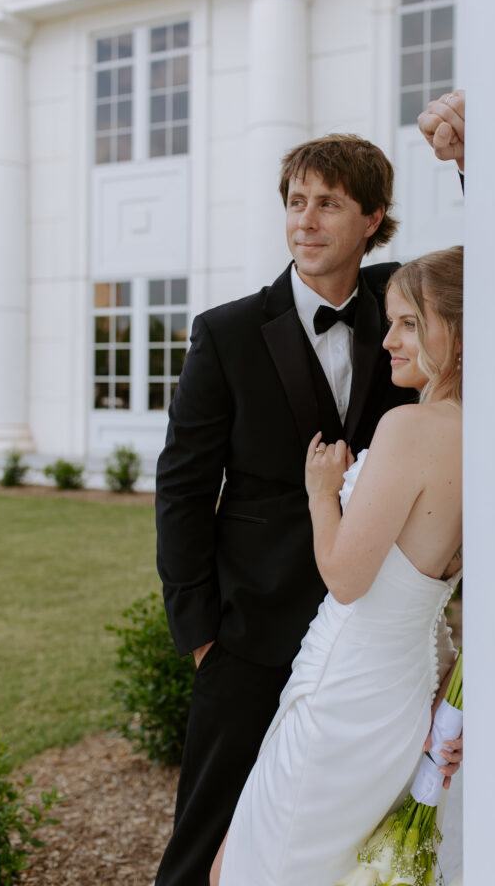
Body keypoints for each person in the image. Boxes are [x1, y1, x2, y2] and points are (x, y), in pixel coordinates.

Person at [154, 133, 462, 886]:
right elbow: (183, 489)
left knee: (329, 846)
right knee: (207, 846)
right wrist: (202, 635)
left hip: (369, 648)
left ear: (373, 218)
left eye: (328, 203)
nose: (306, 220)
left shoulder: (409, 310)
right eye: (296, 202)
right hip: (248, 633)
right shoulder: (224, 333)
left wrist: (468, 158)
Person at [214, 246, 464, 886]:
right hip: (409, 692)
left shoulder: (412, 428)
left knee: (246, 872)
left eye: (410, 323)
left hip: (347, 690)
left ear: (459, 330)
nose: (388, 341)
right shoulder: (491, 435)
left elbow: (347, 579)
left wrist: (322, 493)